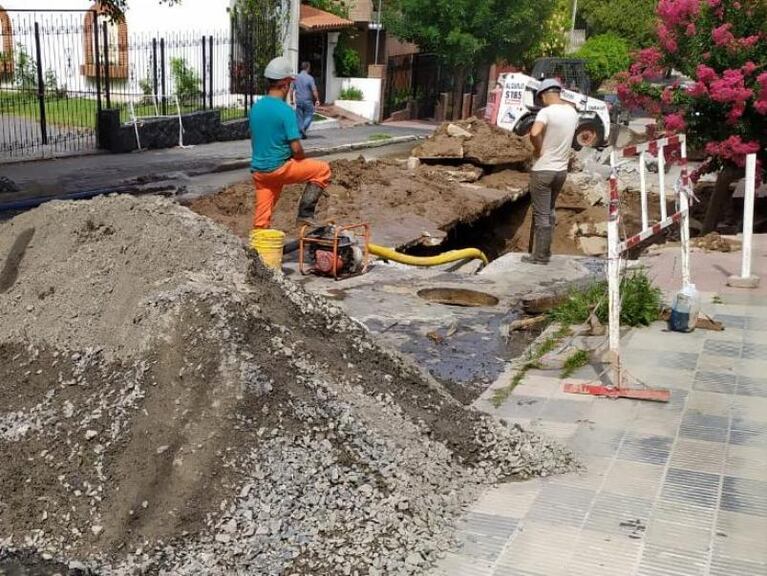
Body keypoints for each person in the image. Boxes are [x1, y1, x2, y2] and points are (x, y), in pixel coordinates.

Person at [249, 56, 331, 232]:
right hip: (279, 168)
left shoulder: (256, 108)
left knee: (261, 220)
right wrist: (301, 158)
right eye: (290, 84)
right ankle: (305, 215)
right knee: (322, 170)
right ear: (285, 83)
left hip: (260, 172)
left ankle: (258, 251)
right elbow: (296, 148)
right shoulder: (285, 110)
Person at [523, 78, 579, 265]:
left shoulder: (546, 112)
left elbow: (534, 132)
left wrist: (538, 149)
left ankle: (540, 257)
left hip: (543, 170)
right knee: (550, 210)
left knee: (541, 214)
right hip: (561, 171)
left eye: (541, 98)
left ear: (545, 94)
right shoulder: (572, 112)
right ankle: (544, 252)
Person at [292, 61, 321, 139]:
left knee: (299, 118)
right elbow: (314, 90)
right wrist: (317, 99)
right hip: (307, 101)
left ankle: (301, 134)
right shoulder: (310, 78)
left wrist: (292, 100)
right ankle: (302, 129)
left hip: (299, 101)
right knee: (309, 115)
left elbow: (292, 90)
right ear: (308, 68)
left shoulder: (296, 77)